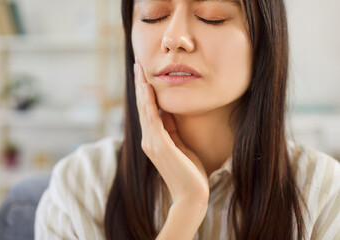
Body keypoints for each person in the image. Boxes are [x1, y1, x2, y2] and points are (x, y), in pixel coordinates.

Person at [35, 0, 340, 239]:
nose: (174, 38)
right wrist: (187, 206)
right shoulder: (80, 186)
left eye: (212, 16)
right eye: (153, 15)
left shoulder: (324, 193)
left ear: (264, 39)